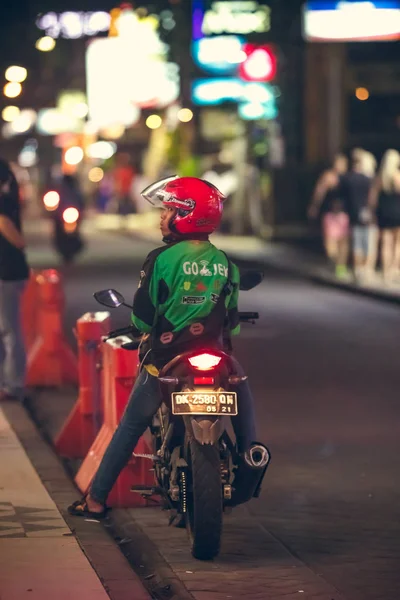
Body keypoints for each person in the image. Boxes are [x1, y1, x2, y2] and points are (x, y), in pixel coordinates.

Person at [68, 176, 259, 518]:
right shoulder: (225, 263)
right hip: (217, 357)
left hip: (167, 360)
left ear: (186, 215)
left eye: (169, 209)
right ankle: (251, 457)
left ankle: (95, 499)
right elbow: (232, 322)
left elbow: (142, 319)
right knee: (242, 393)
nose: (162, 216)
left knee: (130, 426)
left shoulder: (160, 260)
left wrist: (151, 328)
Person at [0, 160, 30, 401]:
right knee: (6, 330)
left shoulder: (2, 203)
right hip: (11, 272)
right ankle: (8, 382)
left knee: (9, 331)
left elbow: (16, 238)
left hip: (6, 273)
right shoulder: (8, 199)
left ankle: (13, 384)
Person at [308, 154, 349, 275]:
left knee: (343, 241)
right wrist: (314, 206)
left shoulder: (347, 178)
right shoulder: (328, 177)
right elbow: (319, 192)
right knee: (329, 240)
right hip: (330, 213)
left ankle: (340, 266)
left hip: (344, 213)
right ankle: (334, 260)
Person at [339, 149, 376, 280]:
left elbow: (342, 197)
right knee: (368, 242)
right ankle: (366, 269)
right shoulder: (368, 179)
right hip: (366, 213)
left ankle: (357, 269)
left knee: (356, 243)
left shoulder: (347, 179)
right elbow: (372, 199)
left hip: (352, 213)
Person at [369, 149, 400, 283]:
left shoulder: (379, 178)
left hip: (384, 213)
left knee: (385, 243)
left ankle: (385, 271)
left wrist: (373, 212)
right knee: (397, 243)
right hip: (397, 212)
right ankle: (394, 269)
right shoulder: (397, 177)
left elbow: (372, 199)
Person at [321, 199, 350, 277]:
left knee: (342, 253)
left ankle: (340, 271)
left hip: (341, 237)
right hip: (331, 237)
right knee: (333, 253)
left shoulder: (344, 217)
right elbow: (326, 231)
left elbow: (345, 231)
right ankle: (333, 267)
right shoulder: (328, 217)